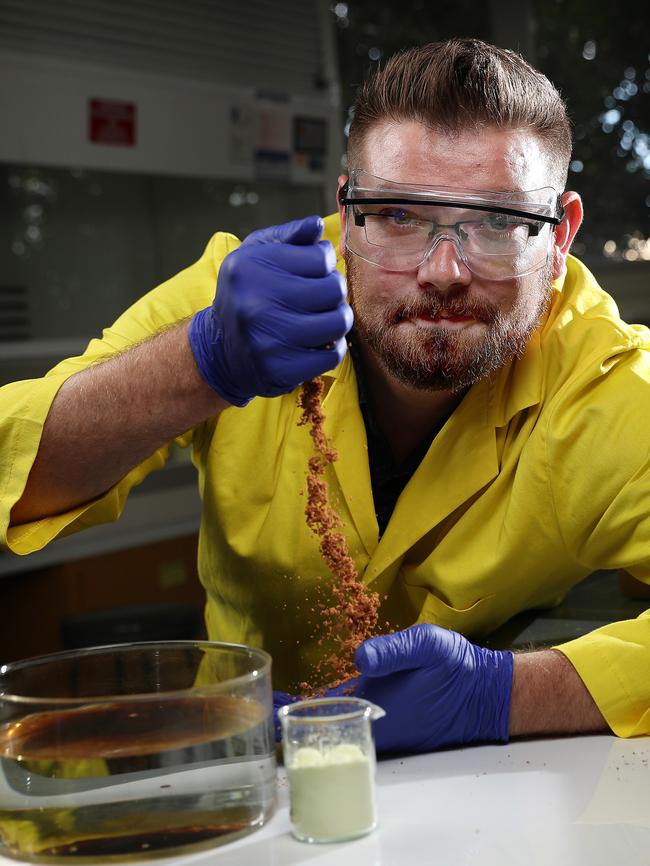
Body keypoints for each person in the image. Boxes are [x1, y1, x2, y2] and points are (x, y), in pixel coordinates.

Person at [2, 38, 649, 754]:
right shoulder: (238, 298)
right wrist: (199, 363)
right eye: (399, 215)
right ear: (347, 214)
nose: (442, 272)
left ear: (559, 238)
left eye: (497, 222)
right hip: (235, 765)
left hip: (479, 788)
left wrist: (502, 695)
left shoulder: (601, 380)